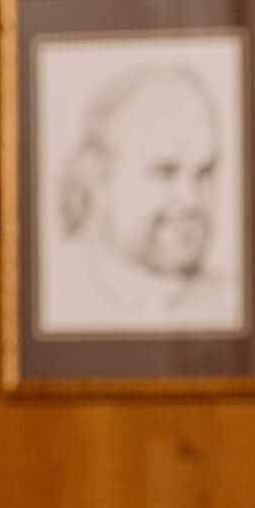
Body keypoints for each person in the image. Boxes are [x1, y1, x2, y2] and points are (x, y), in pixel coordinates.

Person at [48, 62, 240, 332]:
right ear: (98, 178)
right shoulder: (55, 299)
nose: (191, 200)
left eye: (205, 172)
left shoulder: (233, 303)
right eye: (165, 172)